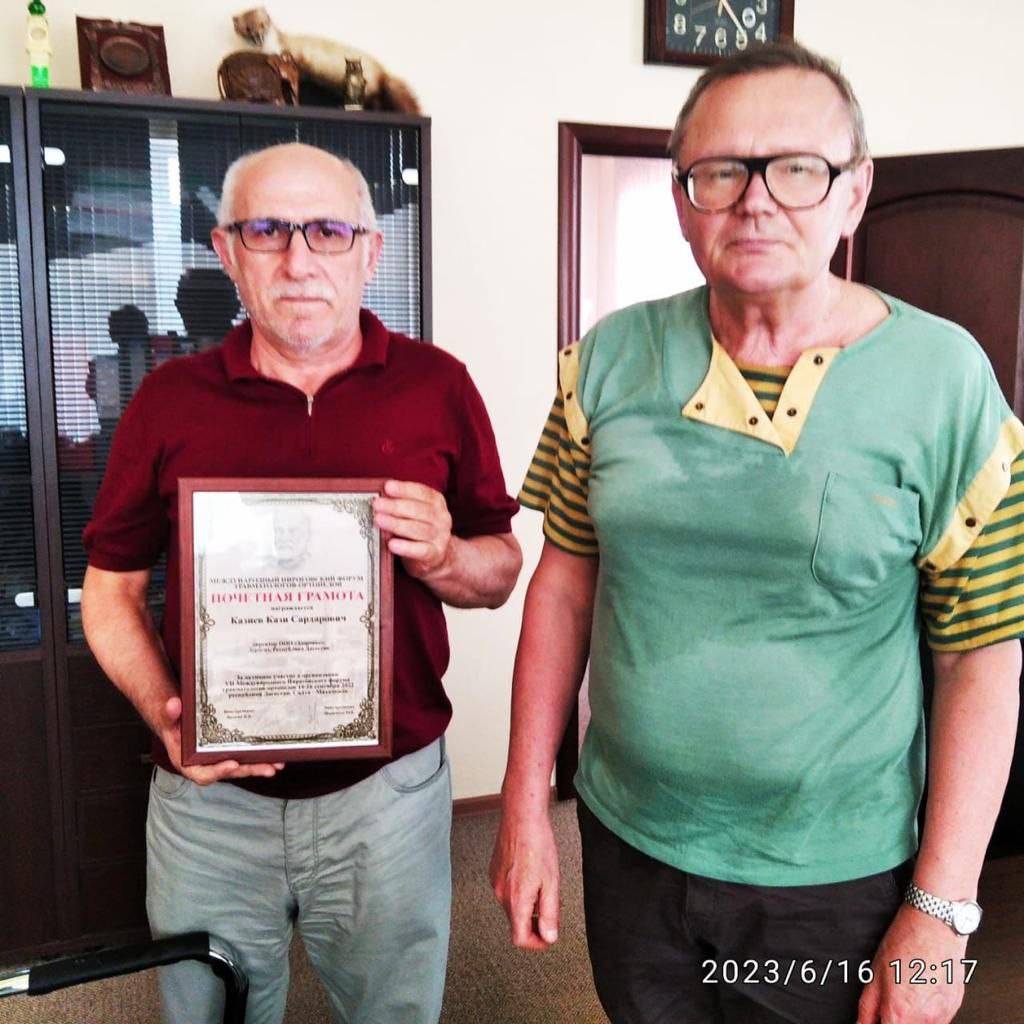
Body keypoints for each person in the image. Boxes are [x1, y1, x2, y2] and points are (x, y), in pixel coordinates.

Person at [491, 41, 1023, 1024]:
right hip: (628, 846)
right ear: (681, 197)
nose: (755, 201)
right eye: (720, 170)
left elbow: (980, 656)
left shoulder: (947, 382)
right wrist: (525, 803)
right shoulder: (604, 360)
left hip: (834, 880)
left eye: (797, 168)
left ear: (854, 192)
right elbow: (561, 587)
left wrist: (943, 914)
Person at [81, 141, 522, 1024]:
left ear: (370, 251)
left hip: (388, 798)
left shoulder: (438, 387)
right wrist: (168, 718)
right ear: (226, 251)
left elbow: (500, 570)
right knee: (212, 1014)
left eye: (327, 231)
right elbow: (111, 593)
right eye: (267, 231)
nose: (298, 259)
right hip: (212, 804)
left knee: (394, 1013)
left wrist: (443, 554)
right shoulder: (168, 400)